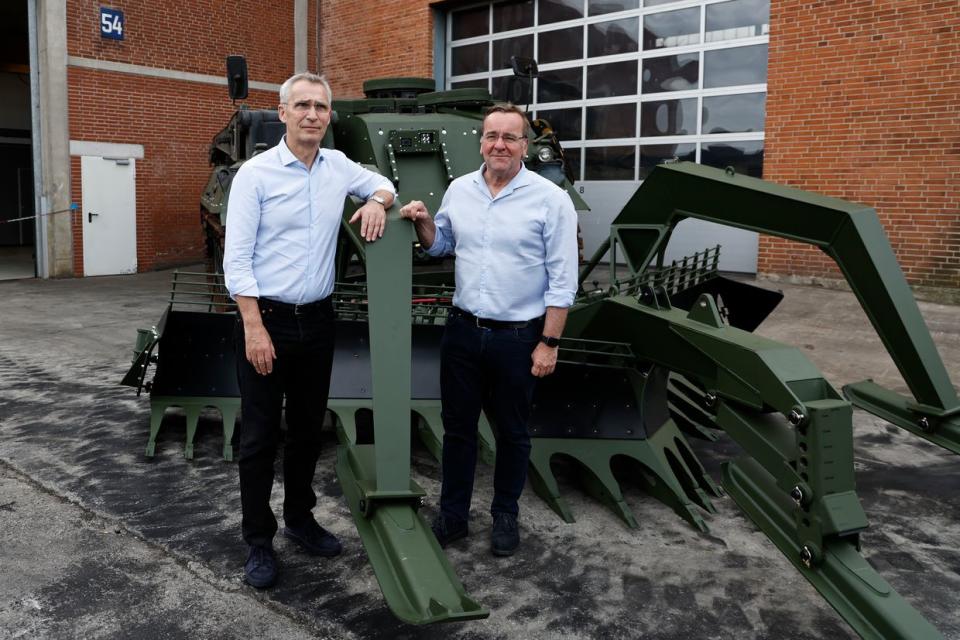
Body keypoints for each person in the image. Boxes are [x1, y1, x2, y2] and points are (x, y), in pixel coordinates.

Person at [223, 71, 395, 588]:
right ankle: (259, 541)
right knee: (257, 439)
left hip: (318, 321)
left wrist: (376, 202)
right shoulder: (254, 176)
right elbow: (237, 261)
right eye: (303, 106)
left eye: (321, 107)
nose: (313, 115)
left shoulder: (338, 166)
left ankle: (299, 519)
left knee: (304, 433)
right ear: (283, 114)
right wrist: (253, 328)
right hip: (266, 321)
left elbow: (385, 182)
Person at [399, 103, 578, 557]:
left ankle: (505, 515)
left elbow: (563, 281)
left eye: (510, 137)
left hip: (518, 338)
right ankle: (453, 517)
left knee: (512, 433)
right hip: (462, 332)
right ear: (481, 141)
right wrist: (422, 220)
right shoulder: (460, 189)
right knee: (458, 431)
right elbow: (442, 244)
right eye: (492, 135)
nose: (499, 144)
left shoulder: (550, 199)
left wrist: (549, 343)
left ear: (524, 145)